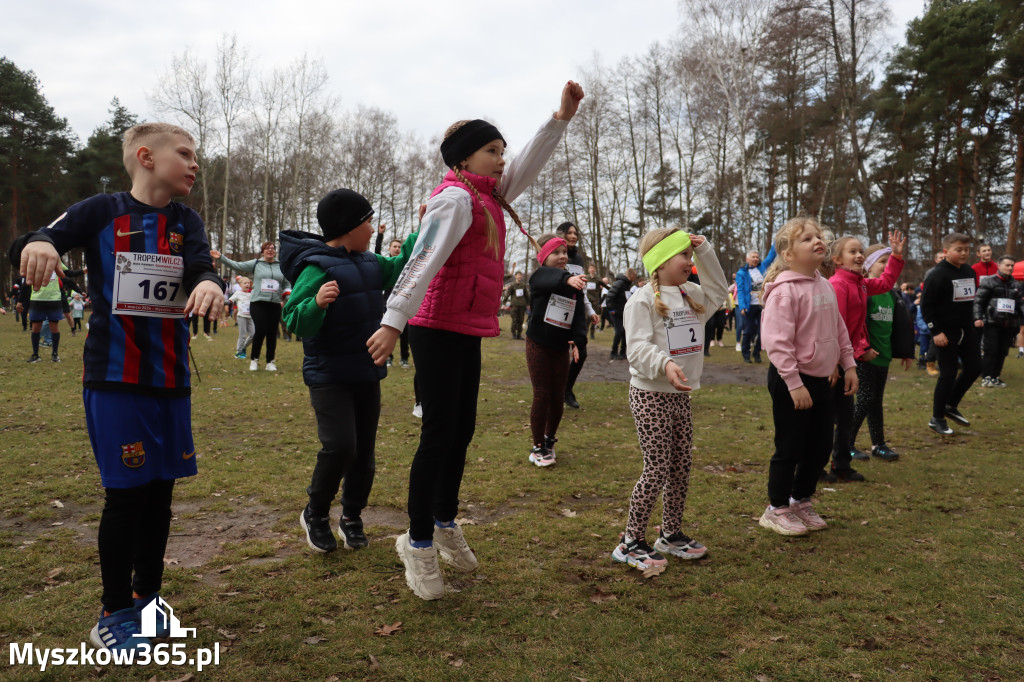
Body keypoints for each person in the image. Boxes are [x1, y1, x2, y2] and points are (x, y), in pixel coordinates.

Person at [7, 122, 223, 650]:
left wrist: (210, 283)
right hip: (115, 379)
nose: (196, 164)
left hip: (171, 379)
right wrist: (37, 244)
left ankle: (149, 600)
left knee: (161, 496)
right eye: (187, 154)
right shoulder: (101, 211)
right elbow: (38, 237)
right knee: (126, 497)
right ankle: (114, 611)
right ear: (146, 157)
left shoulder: (187, 220)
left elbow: (199, 267)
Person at [366, 81, 584, 601]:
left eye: (502, 151)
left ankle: (443, 520)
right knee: (439, 433)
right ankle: (416, 542)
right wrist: (394, 319)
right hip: (435, 328)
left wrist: (560, 118)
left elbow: (527, 164)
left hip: (465, 329)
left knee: (461, 431)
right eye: (492, 151)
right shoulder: (455, 199)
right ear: (466, 157)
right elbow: (423, 260)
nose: (502, 160)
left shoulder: (490, 195)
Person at [281, 189, 416, 554]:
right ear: (348, 226)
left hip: (367, 373)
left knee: (364, 453)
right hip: (329, 375)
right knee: (341, 446)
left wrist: (427, 228)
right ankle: (316, 512)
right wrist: (316, 303)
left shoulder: (371, 262)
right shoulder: (316, 267)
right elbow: (294, 319)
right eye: (368, 222)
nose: (372, 229)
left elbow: (403, 263)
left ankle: (352, 516)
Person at [611, 228, 727, 575]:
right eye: (684, 256)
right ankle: (630, 541)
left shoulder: (693, 294)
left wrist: (705, 251)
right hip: (650, 396)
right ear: (659, 261)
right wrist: (666, 364)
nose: (689, 263)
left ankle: (670, 533)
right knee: (657, 467)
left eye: (691, 258)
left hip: (681, 397)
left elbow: (719, 292)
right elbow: (637, 348)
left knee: (680, 467)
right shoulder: (642, 300)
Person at [759, 216, 857, 536]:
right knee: (791, 445)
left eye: (819, 236)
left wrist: (848, 364)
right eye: (806, 239)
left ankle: (801, 499)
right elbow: (777, 342)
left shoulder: (825, 285)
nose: (818, 241)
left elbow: (838, 330)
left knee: (819, 445)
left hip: (821, 380)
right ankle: (776, 508)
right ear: (788, 254)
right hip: (793, 381)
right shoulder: (784, 292)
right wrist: (794, 383)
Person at [824, 231, 905, 481]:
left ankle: (841, 465)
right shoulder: (838, 285)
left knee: (847, 415)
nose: (859, 255)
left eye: (861, 251)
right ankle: (815, 467)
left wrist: (897, 256)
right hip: (834, 361)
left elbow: (884, 283)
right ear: (837, 259)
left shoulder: (859, 283)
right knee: (826, 418)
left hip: (847, 359)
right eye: (853, 252)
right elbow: (834, 327)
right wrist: (837, 361)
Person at [524, 234, 588, 466]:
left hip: (560, 347)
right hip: (538, 344)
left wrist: (579, 342)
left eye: (564, 253)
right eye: (556, 253)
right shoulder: (540, 276)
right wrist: (567, 279)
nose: (562, 257)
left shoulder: (575, 284)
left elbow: (578, 317)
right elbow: (545, 278)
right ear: (544, 257)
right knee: (542, 394)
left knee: (558, 395)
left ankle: (550, 441)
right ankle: (537, 446)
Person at [849, 244, 916, 462]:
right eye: (882, 262)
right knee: (865, 398)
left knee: (875, 400)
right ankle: (844, 443)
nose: (887, 267)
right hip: (864, 356)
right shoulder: (865, 290)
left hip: (883, 357)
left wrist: (906, 351)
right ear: (868, 266)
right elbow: (856, 323)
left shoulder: (893, 294)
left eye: (890, 263)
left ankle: (878, 444)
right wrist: (862, 349)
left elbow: (901, 325)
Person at [920, 233, 982, 435]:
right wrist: (935, 331)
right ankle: (936, 418)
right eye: (959, 249)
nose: (964, 253)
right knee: (948, 374)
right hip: (945, 333)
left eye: (967, 249)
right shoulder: (937, 274)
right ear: (946, 252)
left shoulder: (969, 271)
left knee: (974, 368)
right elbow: (926, 306)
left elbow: (969, 299)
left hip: (967, 329)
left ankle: (950, 405)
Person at [211, 241, 288, 371]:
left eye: (273, 248)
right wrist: (222, 258)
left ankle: (270, 361)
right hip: (258, 302)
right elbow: (237, 265)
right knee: (260, 330)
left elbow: (286, 284)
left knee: (271, 333)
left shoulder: (281, 266)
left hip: (274, 303)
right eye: (267, 248)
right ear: (263, 251)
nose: (270, 250)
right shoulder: (256, 263)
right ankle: (254, 360)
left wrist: (287, 295)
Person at [557, 222, 600, 409]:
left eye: (575, 233)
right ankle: (553, 392)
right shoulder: (555, 255)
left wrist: (590, 311)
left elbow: (581, 289)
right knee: (558, 355)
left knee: (580, 353)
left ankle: (567, 389)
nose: (573, 236)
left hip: (578, 312)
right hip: (559, 310)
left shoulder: (580, 260)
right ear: (561, 235)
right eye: (569, 233)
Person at [975, 255, 1022, 387]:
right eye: (1007, 265)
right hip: (991, 322)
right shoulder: (989, 281)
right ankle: (986, 376)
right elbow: (978, 301)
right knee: (991, 350)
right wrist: (978, 317)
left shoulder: (1016, 284)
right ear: (999, 265)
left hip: (1009, 323)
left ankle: (996, 376)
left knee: (1003, 351)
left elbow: (1019, 304)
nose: (1010, 268)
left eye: (1012, 265)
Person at [736, 246, 778, 364]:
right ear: (747, 259)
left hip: (762, 306)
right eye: (753, 257)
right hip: (749, 306)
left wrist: (776, 242)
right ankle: (746, 353)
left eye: (757, 257)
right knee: (748, 331)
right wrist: (743, 306)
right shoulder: (742, 273)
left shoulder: (763, 267)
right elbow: (740, 290)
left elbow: (771, 256)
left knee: (762, 332)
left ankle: (757, 353)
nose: (755, 259)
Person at [605, 268, 636, 359]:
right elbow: (609, 297)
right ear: (631, 276)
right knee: (619, 332)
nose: (634, 279)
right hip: (615, 312)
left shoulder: (627, 285)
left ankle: (623, 352)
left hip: (623, 312)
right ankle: (613, 352)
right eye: (634, 277)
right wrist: (612, 310)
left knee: (625, 332)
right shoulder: (619, 283)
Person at [229, 277, 254, 359]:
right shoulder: (238, 293)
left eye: (248, 283)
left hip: (250, 317)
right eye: (245, 283)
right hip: (241, 317)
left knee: (253, 335)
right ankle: (239, 352)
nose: (247, 284)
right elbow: (230, 300)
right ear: (240, 285)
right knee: (242, 335)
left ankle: (243, 348)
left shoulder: (253, 293)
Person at [502, 271, 530, 339]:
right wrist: (504, 303)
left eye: (520, 275)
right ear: (515, 276)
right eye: (518, 275)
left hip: (522, 306)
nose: (519, 276)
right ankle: (513, 334)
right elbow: (507, 295)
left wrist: (529, 304)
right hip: (514, 305)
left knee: (520, 320)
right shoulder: (512, 285)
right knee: (514, 320)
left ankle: (519, 334)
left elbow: (527, 295)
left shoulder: (523, 285)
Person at [585, 263, 606, 340]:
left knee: (594, 318)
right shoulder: (586, 277)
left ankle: (592, 333)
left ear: (595, 270)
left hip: (595, 301)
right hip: (587, 301)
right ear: (588, 269)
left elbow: (605, 285)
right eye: (591, 268)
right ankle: (585, 332)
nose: (592, 270)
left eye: (593, 268)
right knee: (587, 318)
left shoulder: (598, 278)